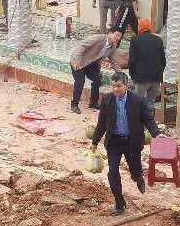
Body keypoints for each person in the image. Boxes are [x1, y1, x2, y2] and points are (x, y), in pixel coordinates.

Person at [91, 72, 162, 214]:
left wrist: (157, 134)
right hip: (114, 142)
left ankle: (138, 177)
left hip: (132, 142)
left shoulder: (137, 100)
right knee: (112, 173)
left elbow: (148, 119)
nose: (116, 89)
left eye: (119, 86)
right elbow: (101, 124)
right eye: (113, 86)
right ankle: (119, 203)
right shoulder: (107, 100)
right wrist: (95, 142)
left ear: (127, 85)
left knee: (134, 170)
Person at [69, 28, 123, 114]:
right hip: (79, 62)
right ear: (110, 33)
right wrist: (77, 61)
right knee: (80, 82)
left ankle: (93, 103)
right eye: (117, 35)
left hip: (91, 64)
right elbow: (81, 46)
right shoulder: (98, 38)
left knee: (97, 80)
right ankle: (74, 105)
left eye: (120, 36)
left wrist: (121, 75)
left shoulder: (112, 47)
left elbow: (114, 62)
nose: (118, 38)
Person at [128, 18, 166, 107]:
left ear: (139, 27)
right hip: (156, 76)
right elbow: (163, 60)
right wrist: (159, 72)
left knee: (137, 103)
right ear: (149, 27)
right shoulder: (158, 40)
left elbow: (132, 60)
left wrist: (132, 75)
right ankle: (149, 120)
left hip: (141, 77)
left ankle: (138, 120)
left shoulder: (135, 40)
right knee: (151, 103)